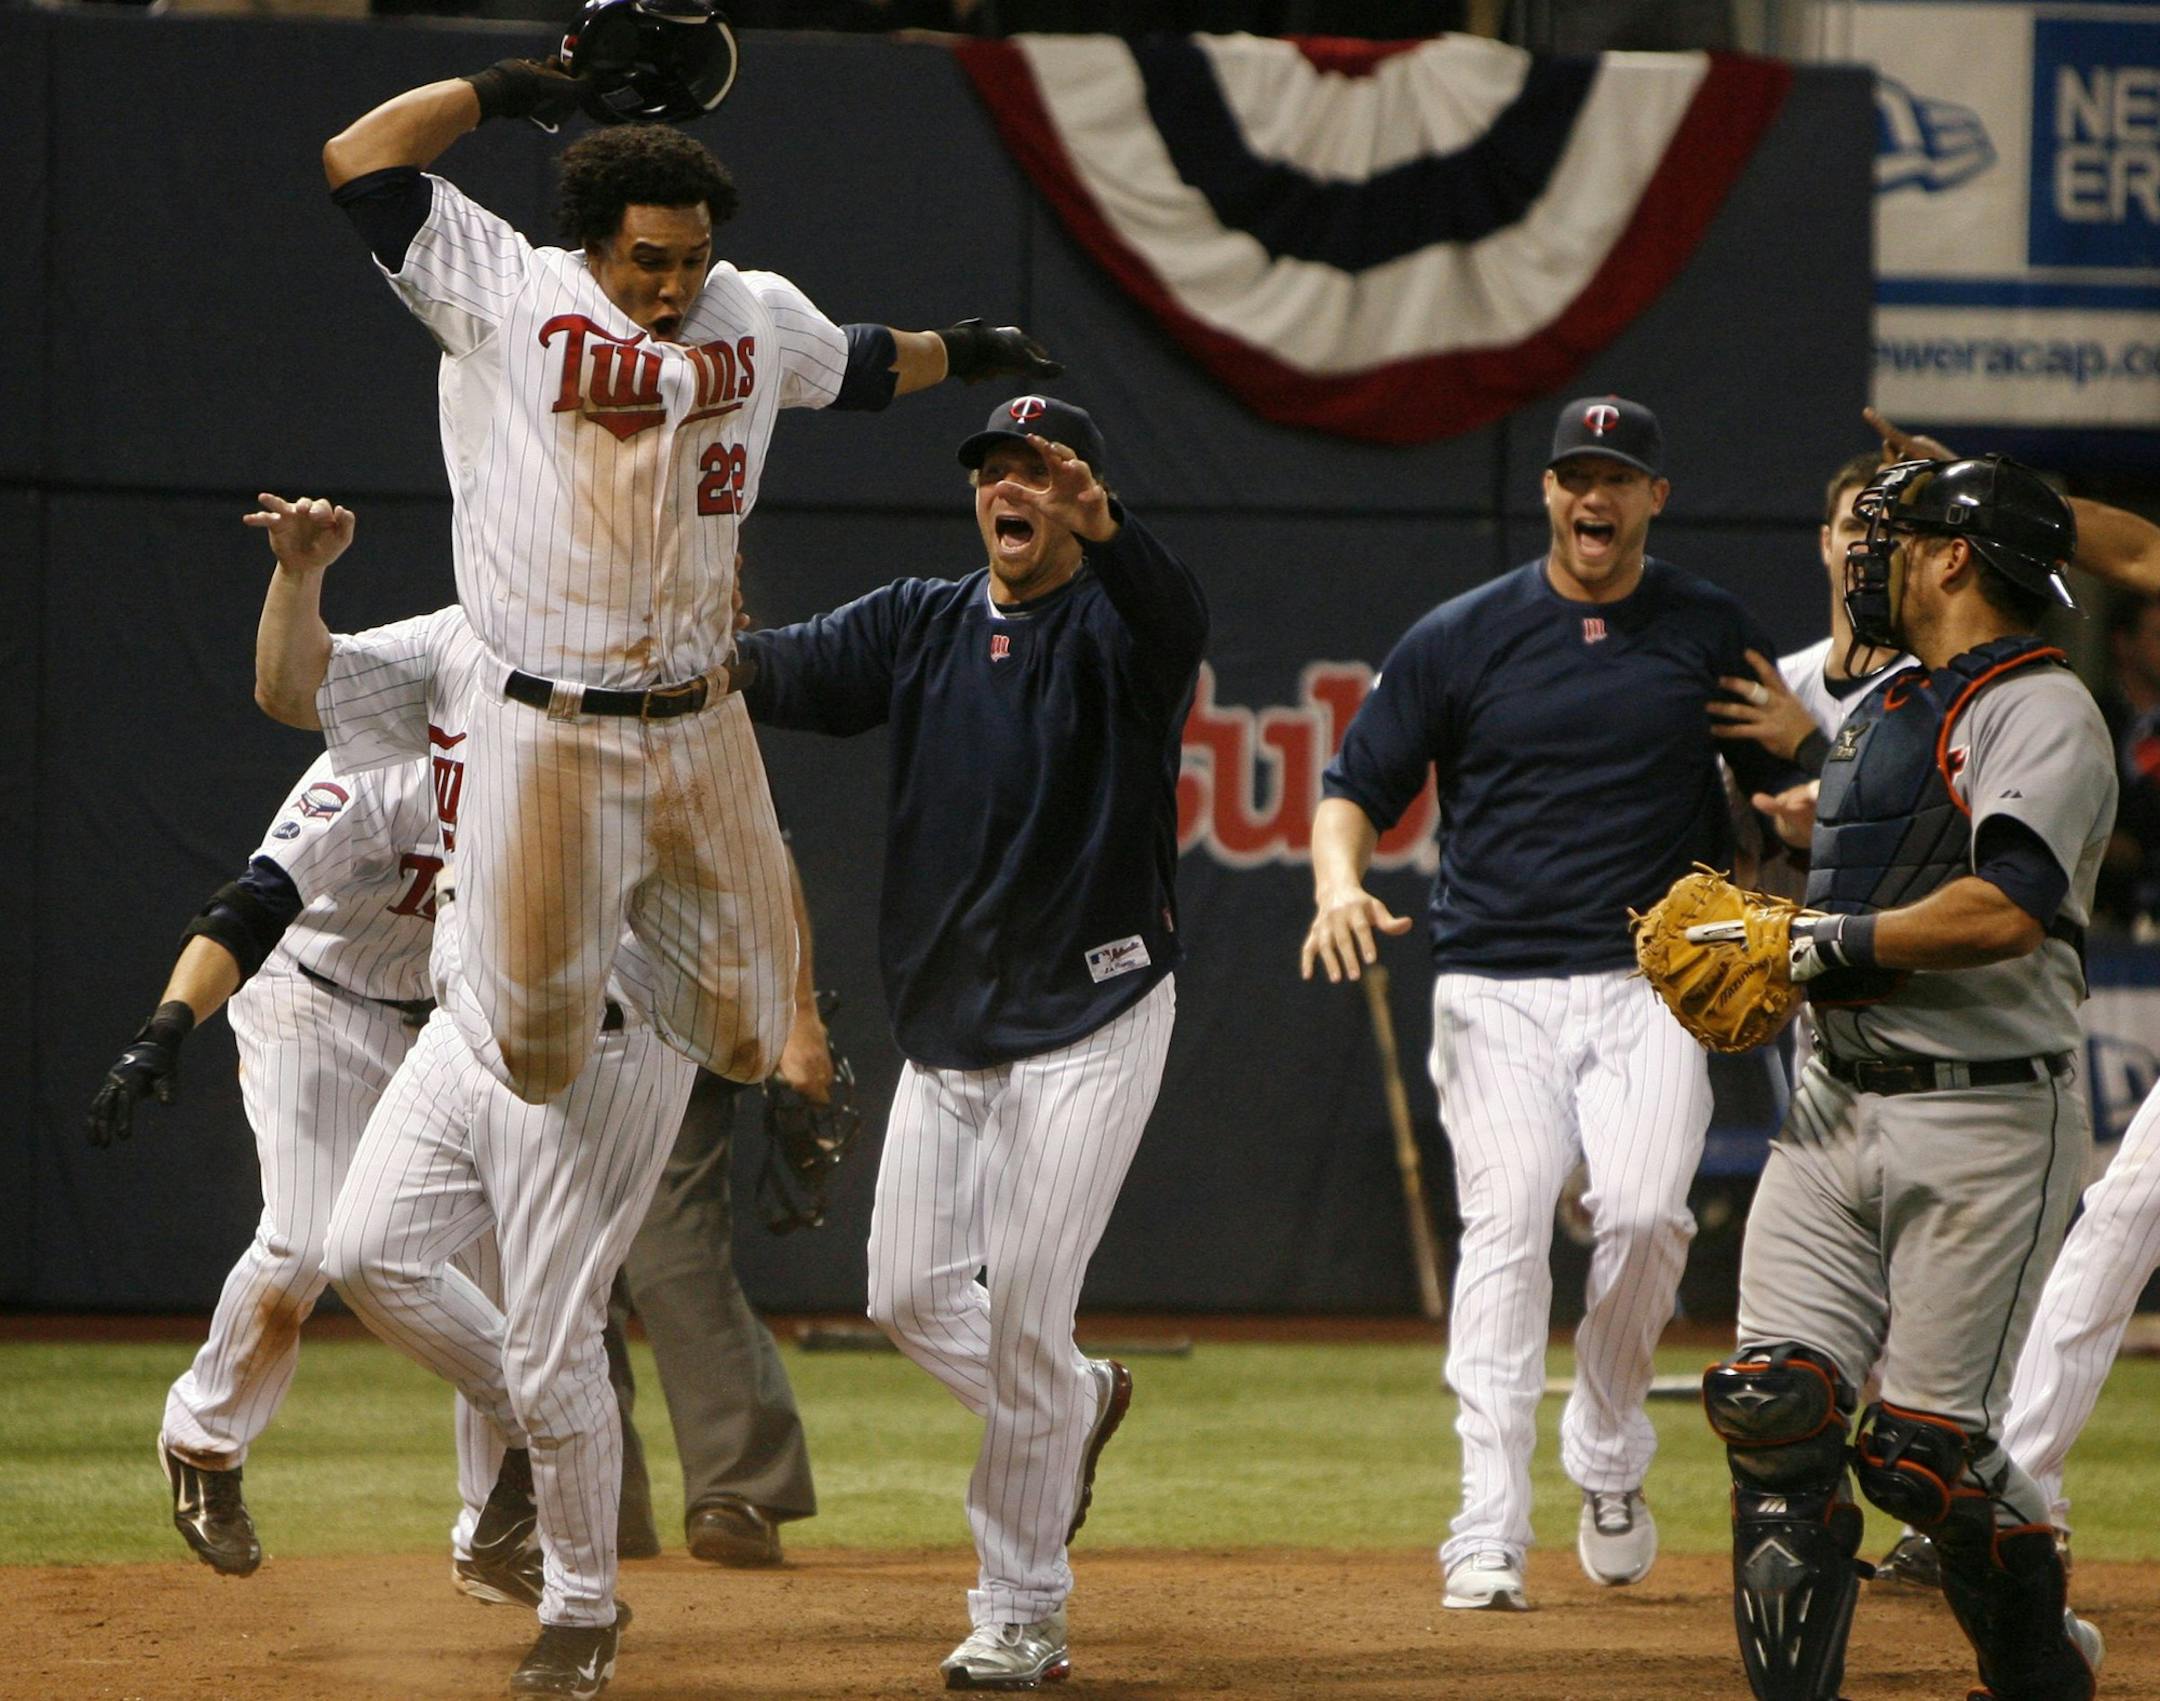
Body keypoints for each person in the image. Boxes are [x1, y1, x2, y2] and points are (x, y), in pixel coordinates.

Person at [321, 62, 1059, 1106]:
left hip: (701, 720)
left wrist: (971, 351)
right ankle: (474, 941)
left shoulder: (744, 312)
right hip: (552, 731)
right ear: (593, 244)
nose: (672, 287)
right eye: (647, 261)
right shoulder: (512, 292)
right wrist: (522, 84)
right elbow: (360, 162)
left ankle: (599, 941)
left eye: (692, 259)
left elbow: (859, 366)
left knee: (756, 1043)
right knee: (534, 1068)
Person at [730, 394, 1205, 1688]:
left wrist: (1116, 532)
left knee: (1023, 1313)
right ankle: (1077, 1398)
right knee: (905, 1295)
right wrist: (684, 662)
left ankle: (1021, 1603)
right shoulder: (923, 621)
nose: (1013, 487)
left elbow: (1176, 622)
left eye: (1041, 472)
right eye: (996, 467)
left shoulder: (1119, 629)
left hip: (1096, 1016)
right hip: (953, 1034)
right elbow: (783, 667)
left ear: (1081, 499)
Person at [1302, 395, 1802, 1612]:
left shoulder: (1705, 628)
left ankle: (1609, 1438)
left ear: (1652, 499)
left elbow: (1788, 806)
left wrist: (1802, 775)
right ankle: (1486, 1522)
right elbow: (1354, 787)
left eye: (1619, 476)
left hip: (1651, 984)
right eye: (1577, 474)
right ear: (1548, 494)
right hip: (1494, 983)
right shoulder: (1463, 637)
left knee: (1642, 1219)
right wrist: (1335, 887)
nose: (1596, 495)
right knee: (1511, 1224)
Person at [250, 498, 691, 1700]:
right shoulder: (458, 642)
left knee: (556, 1346)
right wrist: (301, 578)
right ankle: (540, 1441)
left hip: (604, 1040)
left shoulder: (667, 672)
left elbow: (740, 854)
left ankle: (581, 1606)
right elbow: (298, 693)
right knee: (365, 1248)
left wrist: (772, 1018)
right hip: (470, 1016)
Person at [1700, 453, 2114, 1701]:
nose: (1863, 555)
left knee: (1925, 1459)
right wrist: (1773, 929)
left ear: (1953, 559)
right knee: (1776, 1412)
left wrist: (1824, 943)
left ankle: (2042, 1668)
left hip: (1984, 1116)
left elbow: (2010, 909)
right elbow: (1865, 882)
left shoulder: (2042, 707)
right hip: (1831, 1110)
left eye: (1898, 533)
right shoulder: (1886, 704)